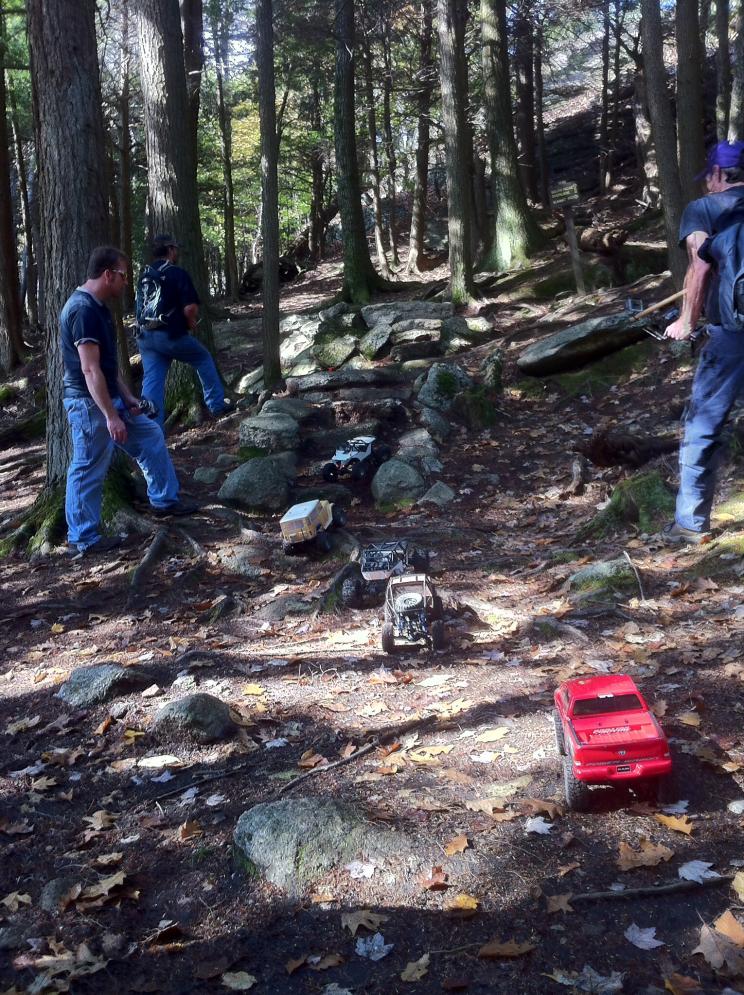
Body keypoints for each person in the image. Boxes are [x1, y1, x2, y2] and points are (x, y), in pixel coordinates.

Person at [61, 245, 197, 557]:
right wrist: (111, 416)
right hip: (89, 403)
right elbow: (89, 369)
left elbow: (108, 368)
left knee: (149, 435)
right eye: (123, 276)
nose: (126, 283)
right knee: (89, 465)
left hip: (109, 399)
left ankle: (164, 500)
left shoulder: (99, 308)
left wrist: (129, 399)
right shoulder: (82, 310)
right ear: (108, 274)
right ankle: (82, 538)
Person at [663, 139, 744, 544]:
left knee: (704, 424)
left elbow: (698, 268)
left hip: (731, 333)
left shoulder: (704, 209)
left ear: (717, 175)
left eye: (708, 177)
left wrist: (685, 320)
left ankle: (691, 524)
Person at [137, 234, 232, 427]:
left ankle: (151, 427)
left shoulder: (144, 275)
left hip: (144, 336)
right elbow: (190, 308)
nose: (177, 252)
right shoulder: (177, 273)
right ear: (171, 250)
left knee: (152, 379)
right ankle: (216, 405)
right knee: (203, 357)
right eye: (176, 249)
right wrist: (190, 322)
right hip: (170, 335)